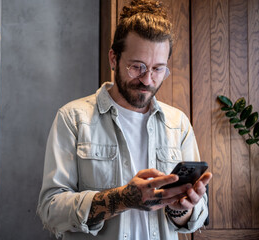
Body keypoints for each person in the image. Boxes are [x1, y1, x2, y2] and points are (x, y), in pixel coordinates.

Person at [37, 0, 212, 239]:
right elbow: (50, 209)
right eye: (137, 67)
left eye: (158, 69)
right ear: (113, 59)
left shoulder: (178, 124)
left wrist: (179, 208)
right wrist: (121, 199)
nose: (148, 80)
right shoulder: (72, 118)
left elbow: (194, 217)